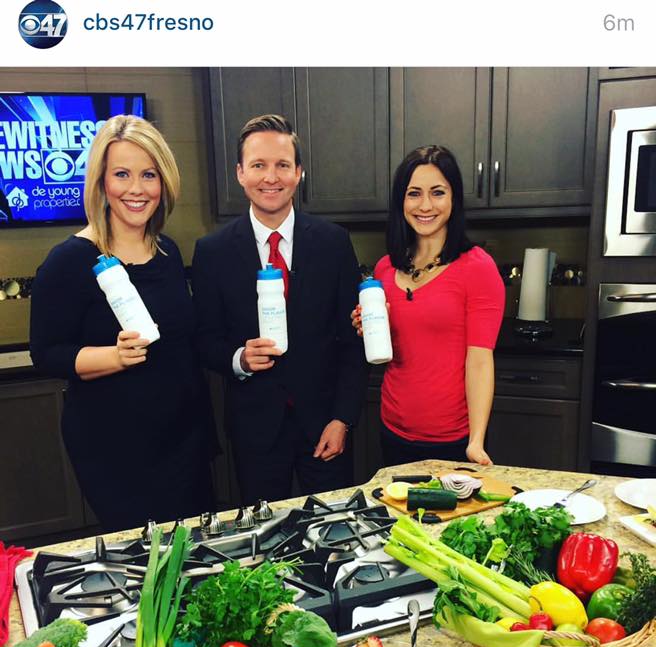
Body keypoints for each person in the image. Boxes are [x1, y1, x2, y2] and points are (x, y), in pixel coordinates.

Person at [30, 115, 216, 532]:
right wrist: (113, 356)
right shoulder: (69, 261)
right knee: (144, 569)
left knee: (190, 562)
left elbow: (182, 343)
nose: (136, 189)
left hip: (184, 441)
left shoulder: (166, 252)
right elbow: (46, 354)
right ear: (101, 182)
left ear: (164, 182)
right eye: (122, 174)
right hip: (115, 450)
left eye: (148, 174)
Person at [192, 114, 366, 505]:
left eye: (282, 165)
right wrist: (238, 357)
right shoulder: (212, 252)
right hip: (255, 431)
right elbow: (204, 341)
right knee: (266, 540)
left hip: (326, 426)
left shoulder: (333, 243)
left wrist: (343, 419)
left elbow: (351, 341)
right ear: (240, 173)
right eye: (258, 165)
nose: (271, 177)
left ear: (298, 173)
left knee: (334, 536)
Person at [353, 145, 504, 468]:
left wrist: (476, 441)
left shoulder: (478, 268)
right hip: (392, 429)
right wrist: (368, 327)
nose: (425, 205)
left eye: (437, 193)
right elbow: (394, 349)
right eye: (413, 194)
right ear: (400, 201)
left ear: (454, 198)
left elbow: (479, 361)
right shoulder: (384, 269)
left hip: (453, 440)